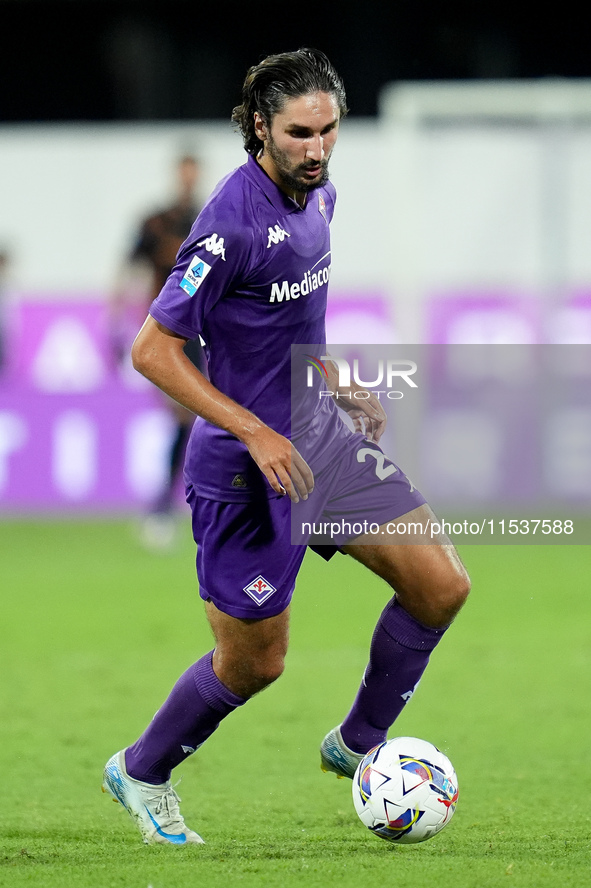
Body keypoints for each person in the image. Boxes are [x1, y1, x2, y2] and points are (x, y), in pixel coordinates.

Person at [102, 47, 470, 846]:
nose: (317, 148)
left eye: (328, 130)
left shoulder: (320, 195)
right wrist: (255, 428)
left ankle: (360, 745)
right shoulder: (228, 222)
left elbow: (288, 321)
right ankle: (141, 770)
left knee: (438, 585)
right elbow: (152, 349)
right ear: (260, 128)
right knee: (252, 667)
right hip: (244, 469)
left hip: (319, 441)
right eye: (300, 133)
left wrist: (332, 377)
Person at [110, 154, 207, 547]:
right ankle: (162, 509)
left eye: (192, 173)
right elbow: (128, 267)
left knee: (201, 420)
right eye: (183, 172)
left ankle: (177, 507)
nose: (187, 179)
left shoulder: (207, 217)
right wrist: (115, 317)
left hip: (203, 332)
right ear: (176, 175)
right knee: (185, 419)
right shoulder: (154, 222)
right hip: (164, 332)